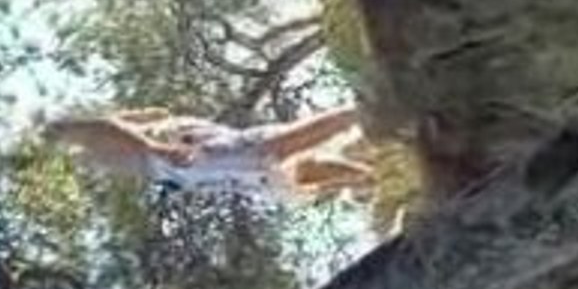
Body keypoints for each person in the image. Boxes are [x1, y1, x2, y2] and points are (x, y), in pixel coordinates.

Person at [41, 103, 374, 199]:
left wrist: (154, 145)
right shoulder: (79, 160)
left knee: (266, 152)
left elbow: (104, 126)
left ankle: (358, 112)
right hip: (173, 168)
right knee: (280, 177)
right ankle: (374, 178)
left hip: (169, 155)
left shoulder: (68, 136)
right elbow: (155, 113)